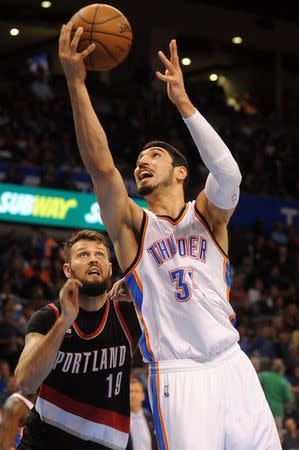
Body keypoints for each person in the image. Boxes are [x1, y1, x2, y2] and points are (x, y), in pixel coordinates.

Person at [59, 22, 282, 450]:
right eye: (139, 158)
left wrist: (183, 103)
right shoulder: (132, 226)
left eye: (155, 155)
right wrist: (76, 84)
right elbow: (102, 168)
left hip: (233, 365)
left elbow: (230, 173)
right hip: (179, 375)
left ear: (181, 172)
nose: (142, 162)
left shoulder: (209, 216)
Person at [14, 230, 141, 450]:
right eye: (83, 254)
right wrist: (65, 321)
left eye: (100, 254)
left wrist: (144, 292)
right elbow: (25, 381)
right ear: (67, 269)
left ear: (110, 268)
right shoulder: (49, 317)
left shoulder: (129, 316)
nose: (93, 258)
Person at [259, 358, 294, 431]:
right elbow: (289, 398)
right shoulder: (283, 382)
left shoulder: (264, 375)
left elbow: (256, 380)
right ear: (282, 370)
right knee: (277, 433)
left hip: (264, 409)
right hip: (277, 411)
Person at [128, 377, 157, 450]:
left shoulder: (152, 419)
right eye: (130, 391)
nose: (133, 395)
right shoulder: (120, 421)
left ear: (143, 395)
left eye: (136, 391)